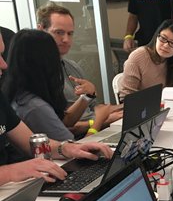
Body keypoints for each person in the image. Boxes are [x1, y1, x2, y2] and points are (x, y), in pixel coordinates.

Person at [0, 34, 112, 186]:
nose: (4, 64)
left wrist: (66, 148)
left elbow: (30, 142)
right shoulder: (32, 104)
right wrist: (12, 171)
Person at [2, 30, 112, 141]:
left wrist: (86, 97)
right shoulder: (34, 106)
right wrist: (99, 120)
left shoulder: (23, 94)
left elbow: (64, 121)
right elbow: (72, 148)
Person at [36, 2, 123, 137]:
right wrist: (103, 121)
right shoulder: (37, 74)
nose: (66, 39)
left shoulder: (72, 66)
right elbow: (64, 127)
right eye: (59, 32)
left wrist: (121, 109)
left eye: (70, 33)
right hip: (81, 137)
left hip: (96, 129)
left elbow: (95, 108)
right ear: (41, 30)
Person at [118, 19, 173, 97]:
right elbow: (126, 97)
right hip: (144, 108)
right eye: (163, 38)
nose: (166, 45)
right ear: (156, 37)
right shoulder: (139, 56)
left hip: (168, 107)